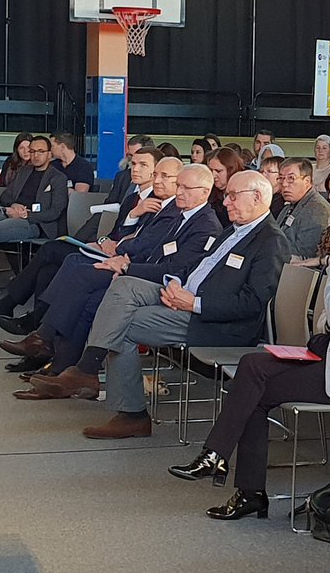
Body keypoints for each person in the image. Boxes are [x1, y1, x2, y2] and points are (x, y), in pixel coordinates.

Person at [167, 192, 330, 518]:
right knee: (252, 368)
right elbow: (329, 319)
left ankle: (230, 471)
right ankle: (231, 472)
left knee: (255, 389)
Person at [69, 171, 289, 439]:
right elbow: (198, 268)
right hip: (184, 295)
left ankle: (129, 412)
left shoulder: (271, 241)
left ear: (257, 197)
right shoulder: (234, 230)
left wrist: (194, 303)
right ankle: (89, 367)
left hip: (215, 322)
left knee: (122, 324)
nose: (225, 202)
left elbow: (252, 303)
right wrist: (175, 285)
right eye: (226, 195)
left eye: (232, 196)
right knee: (124, 285)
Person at [19, 164, 222, 398]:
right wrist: (124, 262)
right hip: (141, 273)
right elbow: (151, 250)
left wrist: (127, 268)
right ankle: (65, 371)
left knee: (83, 275)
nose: (179, 191)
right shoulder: (183, 216)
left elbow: (175, 271)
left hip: (166, 289)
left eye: (186, 188)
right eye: (179, 186)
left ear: (205, 192)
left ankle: (50, 344)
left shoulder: (205, 226)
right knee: (89, 298)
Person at [0, 149, 173, 341]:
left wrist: (126, 228)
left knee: (51, 250)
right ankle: (37, 331)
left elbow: (139, 241)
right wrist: (102, 241)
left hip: (121, 260)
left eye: (143, 165)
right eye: (133, 163)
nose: (135, 169)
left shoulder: (157, 202)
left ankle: (12, 310)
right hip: (104, 249)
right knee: (48, 269)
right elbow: (113, 234)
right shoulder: (132, 199)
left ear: (155, 171)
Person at [0, 136, 68, 273]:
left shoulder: (58, 178)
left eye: (40, 151)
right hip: (12, 211)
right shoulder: (24, 171)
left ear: (49, 154)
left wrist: (25, 215)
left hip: (35, 222)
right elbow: (4, 197)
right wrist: (14, 204)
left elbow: (55, 211)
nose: (35, 155)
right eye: (32, 151)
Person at [276, 157, 330, 262]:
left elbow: (306, 252)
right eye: (281, 178)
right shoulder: (288, 206)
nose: (284, 184)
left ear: (307, 181)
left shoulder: (317, 209)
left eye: (291, 178)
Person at [204, 146, 244, 226]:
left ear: (231, 170)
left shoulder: (244, 194)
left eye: (218, 171)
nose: (213, 175)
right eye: (211, 170)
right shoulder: (209, 192)